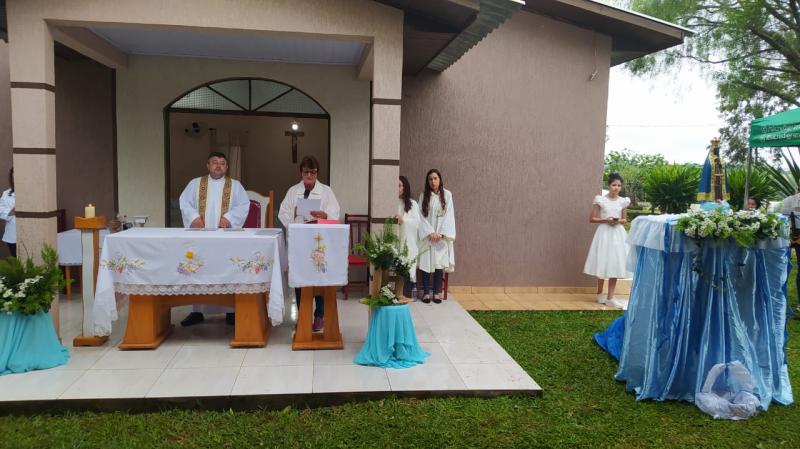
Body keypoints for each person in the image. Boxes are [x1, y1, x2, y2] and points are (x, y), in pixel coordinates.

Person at [178, 151, 250, 326]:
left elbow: (244, 205)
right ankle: (197, 311)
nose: (218, 165)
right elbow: (184, 202)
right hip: (200, 237)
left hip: (225, 239)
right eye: (215, 162)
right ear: (207, 165)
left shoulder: (235, 186)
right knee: (198, 269)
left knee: (226, 270)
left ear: (226, 167)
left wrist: (230, 218)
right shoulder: (195, 184)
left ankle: (231, 311)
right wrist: (194, 217)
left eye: (222, 163)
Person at [279, 155, 340, 331]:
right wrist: (295, 211)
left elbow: (335, 212)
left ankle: (319, 315)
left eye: (313, 172)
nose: (309, 175)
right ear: (301, 172)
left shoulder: (326, 191)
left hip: (319, 241)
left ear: (317, 173)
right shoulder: (293, 191)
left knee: (319, 277)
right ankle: (302, 315)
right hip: (299, 243)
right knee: (300, 278)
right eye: (306, 172)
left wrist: (324, 215)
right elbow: (282, 213)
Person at [584, 173, 631, 309]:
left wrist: (617, 221)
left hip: (617, 234)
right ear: (609, 185)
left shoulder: (623, 201)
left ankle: (610, 297)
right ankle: (600, 293)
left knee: (615, 262)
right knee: (602, 260)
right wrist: (606, 220)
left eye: (619, 185)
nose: (616, 188)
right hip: (604, 233)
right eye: (614, 185)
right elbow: (592, 218)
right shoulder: (600, 200)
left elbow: (624, 219)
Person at [418, 169, 455, 304]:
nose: (433, 182)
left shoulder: (447, 195)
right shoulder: (423, 196)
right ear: (427, 181)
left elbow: (449, 215)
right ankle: (427, 292)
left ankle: (437, 292)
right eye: (430, 179)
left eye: (435, 178)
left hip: (441, 237)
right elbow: (420, 216)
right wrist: (430, 232)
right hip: (428, 236)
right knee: (427, 261)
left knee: (439, 263)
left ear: (440, 179)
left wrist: (441, 233)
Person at [396, 176, 420, 298]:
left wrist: (403, 220)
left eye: (399, 185)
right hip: (395, 240)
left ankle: (403, 295)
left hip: (407, 241)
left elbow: (416, 223)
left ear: (405, 188)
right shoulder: (391, 202)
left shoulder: (413, 204)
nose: (397, 188)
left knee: (405, 265)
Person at [0, 168, 15, 257]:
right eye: (14, 177)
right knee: (17, 262)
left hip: (29, 233)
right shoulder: (6, 194)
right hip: (12, 235)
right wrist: (11, 212)